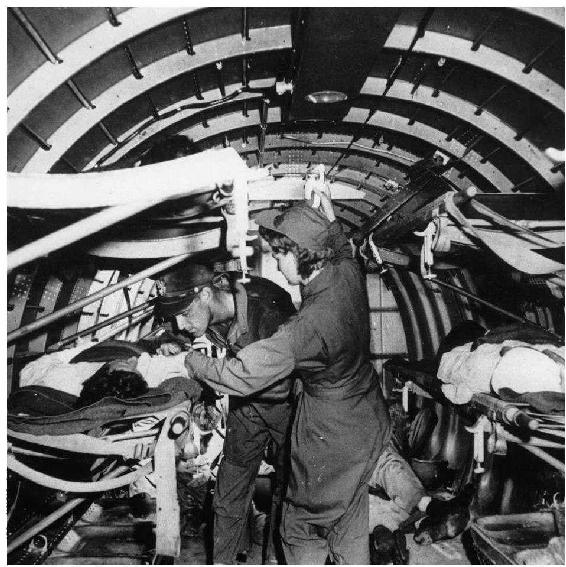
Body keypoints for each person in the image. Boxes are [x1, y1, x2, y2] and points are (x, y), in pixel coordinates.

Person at [181, 190, 391, 564]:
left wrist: (192, 362)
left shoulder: (308, 326)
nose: (277, 265)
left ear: (301, 253)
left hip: (333, 428)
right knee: (349, 520)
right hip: (369, 417)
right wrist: (329, 218)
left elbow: (243, 374)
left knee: (300, 527)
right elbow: (342, 247)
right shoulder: (346, 273)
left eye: (280, 254)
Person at [155, 264, 297, 564]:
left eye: (184, 314)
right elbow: (181, 329)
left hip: (286, 407)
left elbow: (276, 385)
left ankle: (275, 560)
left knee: (288, 494)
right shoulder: (211, 307)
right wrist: (172, 341)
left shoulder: (267, 311)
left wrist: (196, 364)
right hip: (246, 407)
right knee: (228, 493)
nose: (180, 323)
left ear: (206, 294)